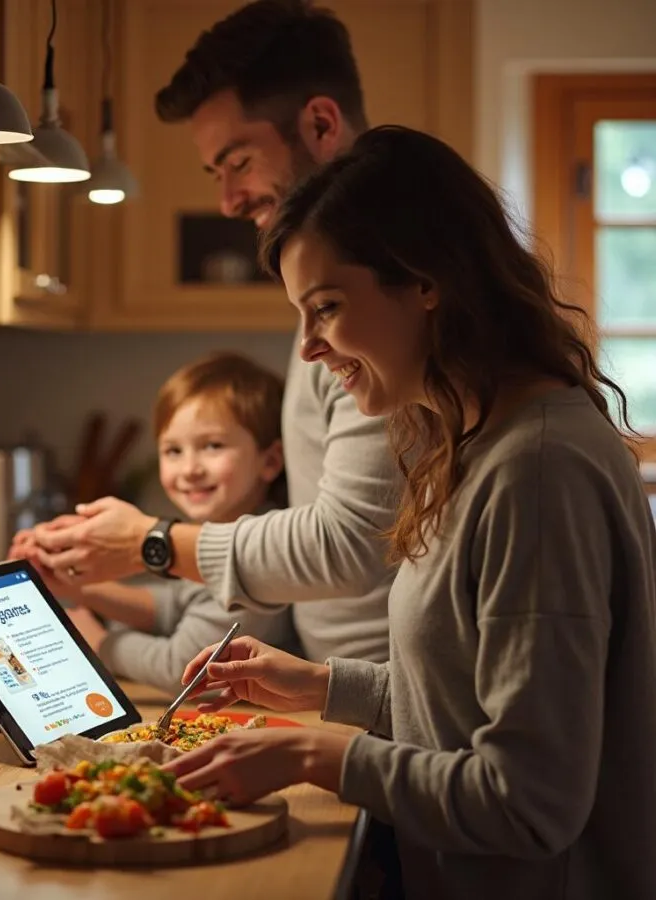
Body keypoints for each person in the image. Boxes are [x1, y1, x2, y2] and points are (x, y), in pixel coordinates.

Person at [158, 126, 656, 900]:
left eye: (325, 307)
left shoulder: (536, 471)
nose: (310, 349)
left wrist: (310, 758)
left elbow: (528, 803)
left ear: (426, 280)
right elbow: (465, 707)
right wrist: (322, 686)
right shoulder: (479, 443)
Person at [14, 0, 399, 665]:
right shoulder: (335, 285)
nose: (226, 201)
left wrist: (148, 541)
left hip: (384, 690)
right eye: (215, 173)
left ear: (320, 124)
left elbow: (348, 545)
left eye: (239, 161)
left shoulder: (385, 296)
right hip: (351, 686)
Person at [12, 352, 296, 694]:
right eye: (173, 451)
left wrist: (95, 639)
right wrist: (74, 586)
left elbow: (183, 668)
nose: (190, 468)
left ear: (270, 461)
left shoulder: (260, 548)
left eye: (212, 446)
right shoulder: (215, 532)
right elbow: (172, 607)